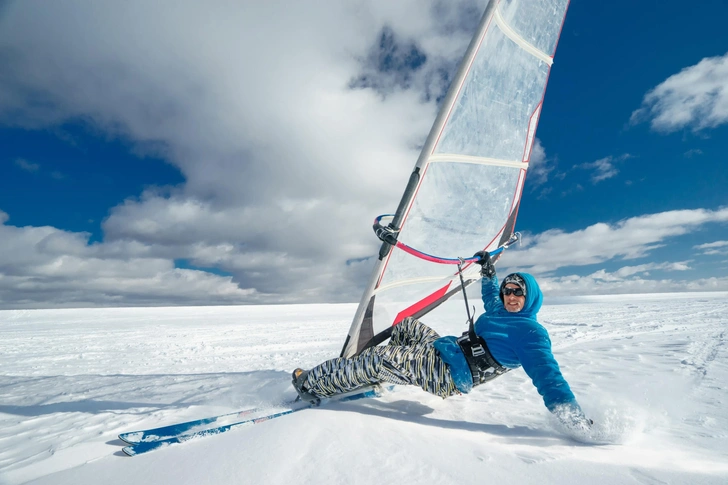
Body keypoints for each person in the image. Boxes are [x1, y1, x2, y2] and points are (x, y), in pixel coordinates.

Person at [292, 251, 591, 430]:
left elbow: (550, 379)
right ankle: (384, 372)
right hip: (445, 350)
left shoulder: (532, 334)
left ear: (531, 296)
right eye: (508, 290)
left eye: (518, 292)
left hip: (448, 375)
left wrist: (574, 420)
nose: (511, 297)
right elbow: (489, 296)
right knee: (405, 326)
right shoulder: (501, 310)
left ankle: (311, 383)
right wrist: (489, 273)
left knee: (378, 358)